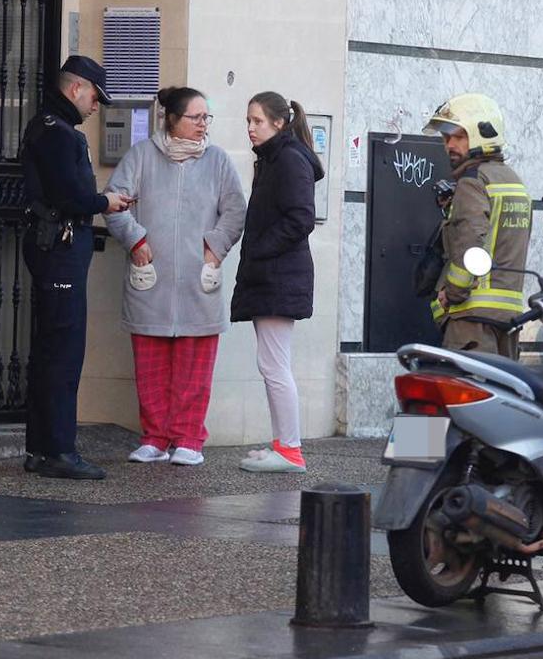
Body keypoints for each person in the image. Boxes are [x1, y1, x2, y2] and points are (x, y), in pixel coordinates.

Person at [104, 86, 247, 466]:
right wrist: (137, 241)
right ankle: (154, 437)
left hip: (199, 279)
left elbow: (235, 211)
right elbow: (114, 203)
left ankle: (189, 439)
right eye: (195, 117)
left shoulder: (217, 161)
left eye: (206, 118)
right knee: (150, 364)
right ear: (172, 120)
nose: (203, 125)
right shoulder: (141, 157)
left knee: (194, 366)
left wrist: (214, 247)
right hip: (151, 278)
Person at [21, 55, 133, 480]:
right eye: (94, 98)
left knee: (51, 350)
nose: (95, 107)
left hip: (57, 248)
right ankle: (59, 451)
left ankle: (41, 449)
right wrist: (105, 202)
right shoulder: (58, 134)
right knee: (63, 353)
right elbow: (69, 196)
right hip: (59, 249)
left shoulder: (51, 128)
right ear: (76, 89)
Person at [231, 91, 323, 474]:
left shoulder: (287, 160)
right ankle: (283, 444)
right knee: (271, 362)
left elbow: (301, 218)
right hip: (273, 275)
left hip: (277, 276)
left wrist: (260, 251)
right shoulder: (275, 159)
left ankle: (289, 450)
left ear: (279, 123)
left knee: (274, 364)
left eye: (257, 121)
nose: (250, 128)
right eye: (248, 121)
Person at [422, 93, 532, 358]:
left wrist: (454, 291)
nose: (449, 145)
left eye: (458, 136)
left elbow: (471, 243)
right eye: (446, 138)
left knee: (463, 396)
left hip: (472, 321)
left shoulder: (473, 181)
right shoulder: (514, 182)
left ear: (481, 134)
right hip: (507, 320)